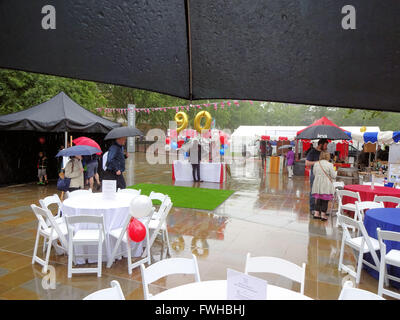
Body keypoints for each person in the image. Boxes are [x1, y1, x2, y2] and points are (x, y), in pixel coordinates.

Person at [311, 151, 337, 221]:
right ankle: (323, 215)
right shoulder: (330, 165)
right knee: (325, 200)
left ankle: (316, 213)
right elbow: (334, 176)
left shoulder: (316, 164)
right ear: (328, 156)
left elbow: (314, 173)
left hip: (317, 183)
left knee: (318, 199)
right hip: (326, 184)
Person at [306, 139, 328, 215]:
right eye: (325, 145)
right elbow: (307, 163)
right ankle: (312, 208)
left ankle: (321, 210)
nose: (326, 147)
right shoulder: (313, 152)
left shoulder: (324, 152)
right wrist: (318, 162)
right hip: (315, 176)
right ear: (320, 145)